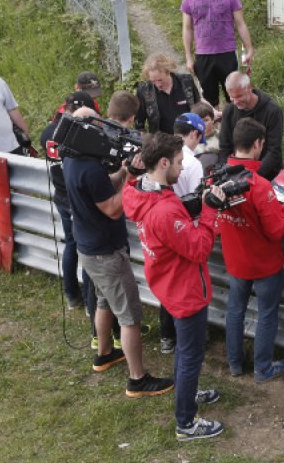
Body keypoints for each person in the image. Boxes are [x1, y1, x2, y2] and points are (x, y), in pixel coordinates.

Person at [63, 91, 173, 397]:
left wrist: (125, 171)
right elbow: (112, 207)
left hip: (89, 247)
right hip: (105, 251)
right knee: (130, 316)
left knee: (104, 301)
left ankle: (105, 353)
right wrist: (132, 182)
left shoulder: (74, 158)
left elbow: (103, 186)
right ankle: (138, 378)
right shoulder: (88, 167)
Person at [123, 132, 225, 441]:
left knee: (184, 348)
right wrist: (210, 209)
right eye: (179, 162)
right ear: (164, 163)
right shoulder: (165, 210)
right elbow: (199, 249)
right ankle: (186, 422)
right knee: (191, 355)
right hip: (185, 289)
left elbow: (131, 187)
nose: (182, 169)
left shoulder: (138, 191)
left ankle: (188, 391)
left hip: (166, 281)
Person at [217, 117, 284, 381]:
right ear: (257, 144)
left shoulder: (218, 179)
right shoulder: (259, 185)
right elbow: (276, 230)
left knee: (235, 309)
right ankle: (262, 368)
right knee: (266, 313)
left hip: (235, 261)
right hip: (264, 264)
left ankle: (235, 362)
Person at [158, 112, 208, 355]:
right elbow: (198, 198)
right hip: (184, 226)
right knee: (185, 285)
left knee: (167, 283)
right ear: (194, 134)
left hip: (162, 224)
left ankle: (166, 336)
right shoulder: (193, 163)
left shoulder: (162, 153)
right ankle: (188, 338)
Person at [40, 91, 95, 310]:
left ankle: (72, 295)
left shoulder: (48, 131)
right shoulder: (78, 132)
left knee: (71, 244)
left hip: (60, 194)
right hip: (77, 196)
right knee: (86, 247)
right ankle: (87, 299)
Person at [181, 0, 254, 108]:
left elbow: (240, 24)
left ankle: (232, 121)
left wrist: (250, 49)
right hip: (203, 56)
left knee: (234, 96)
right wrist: (188, 57)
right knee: (209, 101)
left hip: (227, 53)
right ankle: (215, 122)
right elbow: (187, 29)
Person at [218, 72, 283, 180]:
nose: (236, 102)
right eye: (232, 97)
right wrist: (228, 174)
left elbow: (274, 152)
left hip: (266, 174)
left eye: (239, 96)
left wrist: (251, 177)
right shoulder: (229, 111)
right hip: (236, 175)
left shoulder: (272, 111)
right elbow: (224, 148)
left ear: (249, 88)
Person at [135, 53, 201, 134]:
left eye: (160, 80)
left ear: (168, 72)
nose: (158, 85)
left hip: (188, 135)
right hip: (160, 138)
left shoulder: (186, 82)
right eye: (153, 81)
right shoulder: (144, 90)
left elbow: (198, 106)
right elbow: (139, 122)